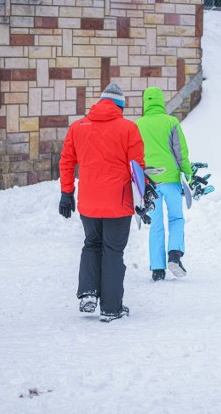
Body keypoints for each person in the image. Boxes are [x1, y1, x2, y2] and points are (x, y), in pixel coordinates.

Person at [58, 82, 145, 323]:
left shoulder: (78, 127)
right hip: (118, 203)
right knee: (113, 252)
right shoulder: (129, 129)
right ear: (120, 105)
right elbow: (137, 167)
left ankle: (87, 292)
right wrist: (141, 199)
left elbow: (66, 161)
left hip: (88, 202)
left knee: (91, 244)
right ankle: (111, 308)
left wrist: (66, 193)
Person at [135, 86, 192, 281]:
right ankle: (174, 255)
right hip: (172, 180)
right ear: (161, 101)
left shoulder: (138, 125)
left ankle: (157, 269)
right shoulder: (171, 122)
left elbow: (134, 156)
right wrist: (188, 174)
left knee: (156, 224)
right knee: (176, 218)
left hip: (149, 183)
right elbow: (181, 152)